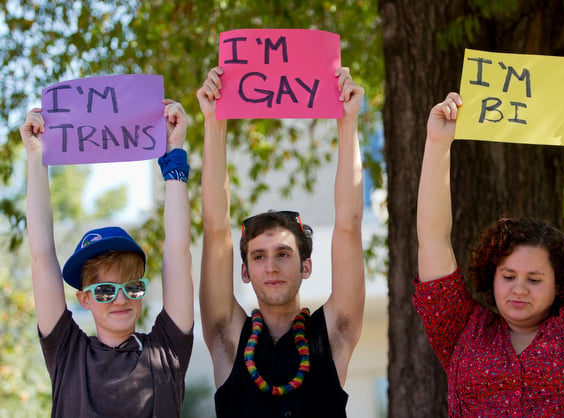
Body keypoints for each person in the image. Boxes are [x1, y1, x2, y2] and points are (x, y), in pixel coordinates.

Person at [412, 91, 564, 417]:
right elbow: (433, 240)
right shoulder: (460, 329)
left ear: (558, 284)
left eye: (534, 279)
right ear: (491, 276)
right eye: (508, 276)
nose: (519, 288)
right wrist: (437, 143)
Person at [196, 65, 365, 418]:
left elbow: (348, 225)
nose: (270, 266)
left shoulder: (332, 335)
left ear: (306, 266)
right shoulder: (228, 338)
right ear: (244, 271)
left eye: (283, 254)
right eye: (258, 257)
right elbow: (215, 229)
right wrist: (215, 121)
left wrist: (347, 124)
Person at [20, 99, 194, 417]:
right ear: (84, 299)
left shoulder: (167, 350)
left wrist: (175, 151)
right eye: (104, 290)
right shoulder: (66, 352)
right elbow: (41, 253)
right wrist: (36, 157)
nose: (120, 299)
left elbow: (178, 250)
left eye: (132, 287)